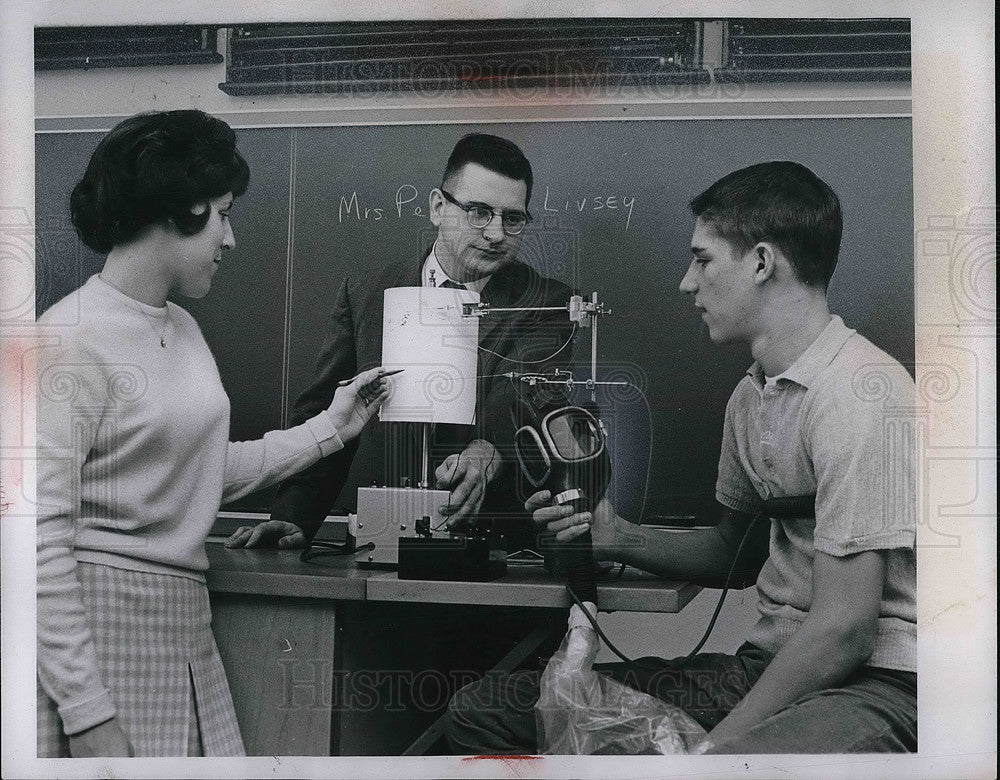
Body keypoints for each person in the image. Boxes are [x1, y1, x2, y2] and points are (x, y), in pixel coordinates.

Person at [446, 161, 917, 754]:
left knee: (738, 765)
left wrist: (716, 749)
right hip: (766, 669)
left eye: (702, 259)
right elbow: (734, 553)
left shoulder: (861, 389)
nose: (686, 284)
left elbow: (846, 628)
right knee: (488, 712)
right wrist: (613, 536)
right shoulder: (753, 396)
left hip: (877, 686)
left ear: (762, 263)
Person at [35, 109, 389, 757]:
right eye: (224, 214)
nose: (231, 240)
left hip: (184, 629)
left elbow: (196, 469)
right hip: (103, 630)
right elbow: (35, 541)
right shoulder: (68, 339)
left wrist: (333, 428)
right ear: (182, 209)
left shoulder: (184, 329)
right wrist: (85, 712)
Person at [227, 133, 574, 551]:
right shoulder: (369, 291)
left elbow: (520, 398)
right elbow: (329, 411)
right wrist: (293, 516)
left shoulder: (547, 303)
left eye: (513, 219)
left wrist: (487, 453)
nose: (497, 234)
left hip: (501, 552)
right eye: (479, 213)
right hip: (385, 546)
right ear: (438, 207)